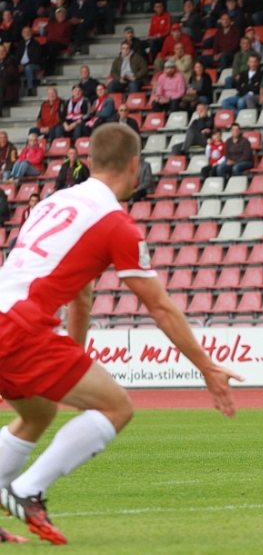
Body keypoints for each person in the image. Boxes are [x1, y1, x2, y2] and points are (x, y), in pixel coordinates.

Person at [0, 123, 240, 545]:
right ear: (134, 165)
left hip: (7, 317)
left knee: (39, 413)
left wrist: (69, 366)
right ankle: (27, 490)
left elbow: (80, 298)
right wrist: (207, 367)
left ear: (91, 161)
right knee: (117, 407)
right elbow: (159, 306)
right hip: (20, 329)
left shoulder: (54, 202)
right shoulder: (115, 223)